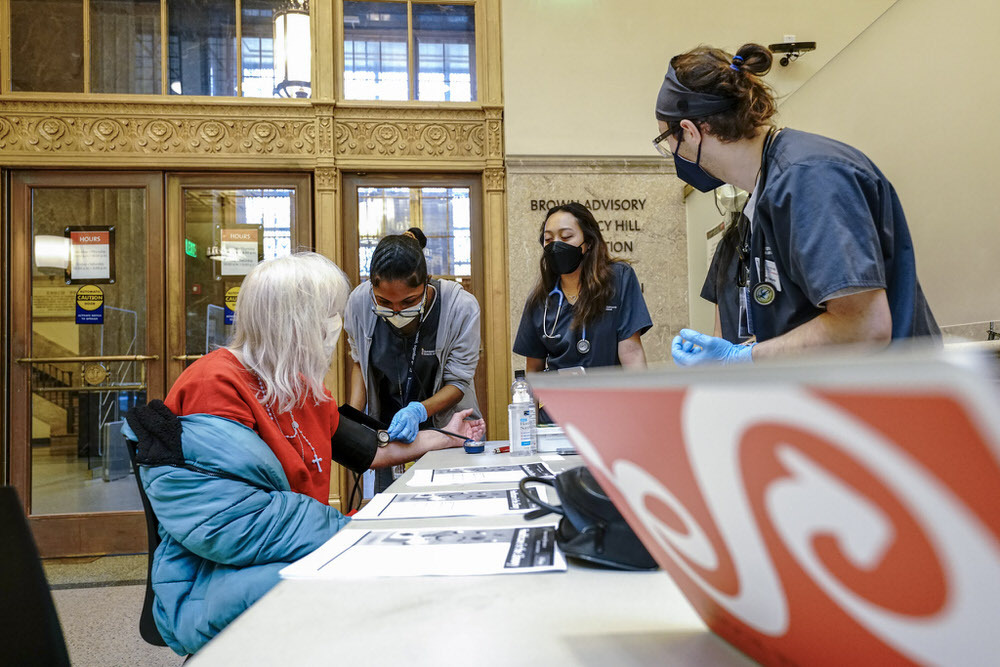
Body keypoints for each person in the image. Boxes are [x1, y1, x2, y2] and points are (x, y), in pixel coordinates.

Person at [122, 252, 484, 656]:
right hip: (220, 577)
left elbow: (369, 449)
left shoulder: (296, 383)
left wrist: (445, 436)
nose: (337, 327)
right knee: (400, 595)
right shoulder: (214, 384)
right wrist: (357, 533)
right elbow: (232, 526)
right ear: (295, 320)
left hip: (293, 553)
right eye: (330, 315)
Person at [652, 44, 939, 366]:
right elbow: (798, 322)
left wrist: (741, 358)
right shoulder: (766, 194)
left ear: (690, 132)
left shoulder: (810, 177)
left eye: (668, 143)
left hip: (892, 398)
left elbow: (863, 327)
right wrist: (733, 354)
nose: (676, 157)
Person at [344, 229, 482, 492]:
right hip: (390, 435)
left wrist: (417, 411)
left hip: (449, 430)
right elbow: (359, 361)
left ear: (427, 282)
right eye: (384, 301)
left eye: (409, 301)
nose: (396, 311)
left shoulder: (460, 307)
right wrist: (353, 421)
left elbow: (458, 382)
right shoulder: (359, 303)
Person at [513, 202, 652, 372]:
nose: (555, 245)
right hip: (560, 396)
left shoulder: (619, 278)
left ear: (589, 242)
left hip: (610, 395)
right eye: (548, 239)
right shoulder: (540, 300)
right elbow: (534, 370)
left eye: (566, 237)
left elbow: (631, 351)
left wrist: (641, 397)